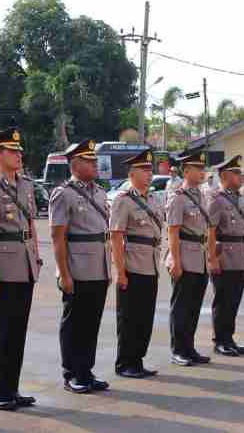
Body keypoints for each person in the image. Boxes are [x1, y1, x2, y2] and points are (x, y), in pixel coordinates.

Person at [0, 127, 42, 411]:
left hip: (24, 265)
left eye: (19, 151)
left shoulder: (25, 184)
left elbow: (31, 224)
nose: (19, 155)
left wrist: (35, 255)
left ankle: (10, 388)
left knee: (17, 331)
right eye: (13, 151)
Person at [50, 139, 111, 393]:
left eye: (95, 160)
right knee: (75, 322)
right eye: (89, 160)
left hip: (99, 265)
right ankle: (72, 373)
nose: (95, 164)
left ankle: (86, 370)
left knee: (91, 322)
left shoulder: (99, 192)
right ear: (75, 164)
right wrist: (64, 273)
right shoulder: (63, 193)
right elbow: (57, 236)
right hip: (77, 266)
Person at [110, 148, 162, 379]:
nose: (149, 174)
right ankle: (125, 362)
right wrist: (120, 271)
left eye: (150, 170)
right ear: (132, 173)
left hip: (150, 264)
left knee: (145, 316)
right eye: (144, 170)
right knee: (129, 317)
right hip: (132, 265)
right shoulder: (123, 200)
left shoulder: (153, 199)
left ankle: (138, 359)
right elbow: (116, 236)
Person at [165, 148, 212, 367]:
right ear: (186, 171)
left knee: (194, 306)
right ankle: (178, 350)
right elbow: (173, 231)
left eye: (203, 168)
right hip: (184, 255)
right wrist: (175, 260)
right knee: (181, 306)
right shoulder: (178, 197)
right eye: (198, 168)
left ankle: (189, 347)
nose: (202, 172)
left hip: (199, 257)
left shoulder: (201, 195)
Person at [207, 154, 244, 357]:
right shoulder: (217, 200)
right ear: (225, 175)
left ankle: (229, 338)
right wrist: (213, 258)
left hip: (242, 255)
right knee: (223, 299)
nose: (240, 176)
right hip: (225, 255)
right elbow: (211, 231)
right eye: (236, 173)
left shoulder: (239, 197)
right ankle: (220, 340)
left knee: (234, 299)